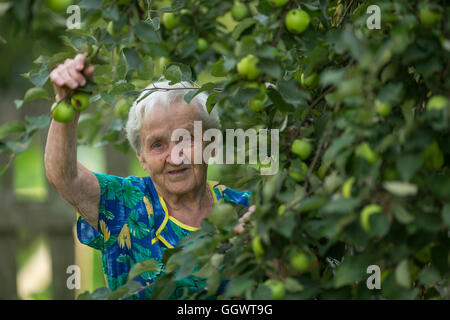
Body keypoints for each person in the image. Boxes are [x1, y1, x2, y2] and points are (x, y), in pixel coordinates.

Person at [45, 54, 255, 299]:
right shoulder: (124, 203)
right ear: (141, 157)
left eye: (185, 139)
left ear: (211, 143)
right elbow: (65, 177)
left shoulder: (246, 211)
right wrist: (66, 102)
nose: (175, 157)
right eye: (157, 145)